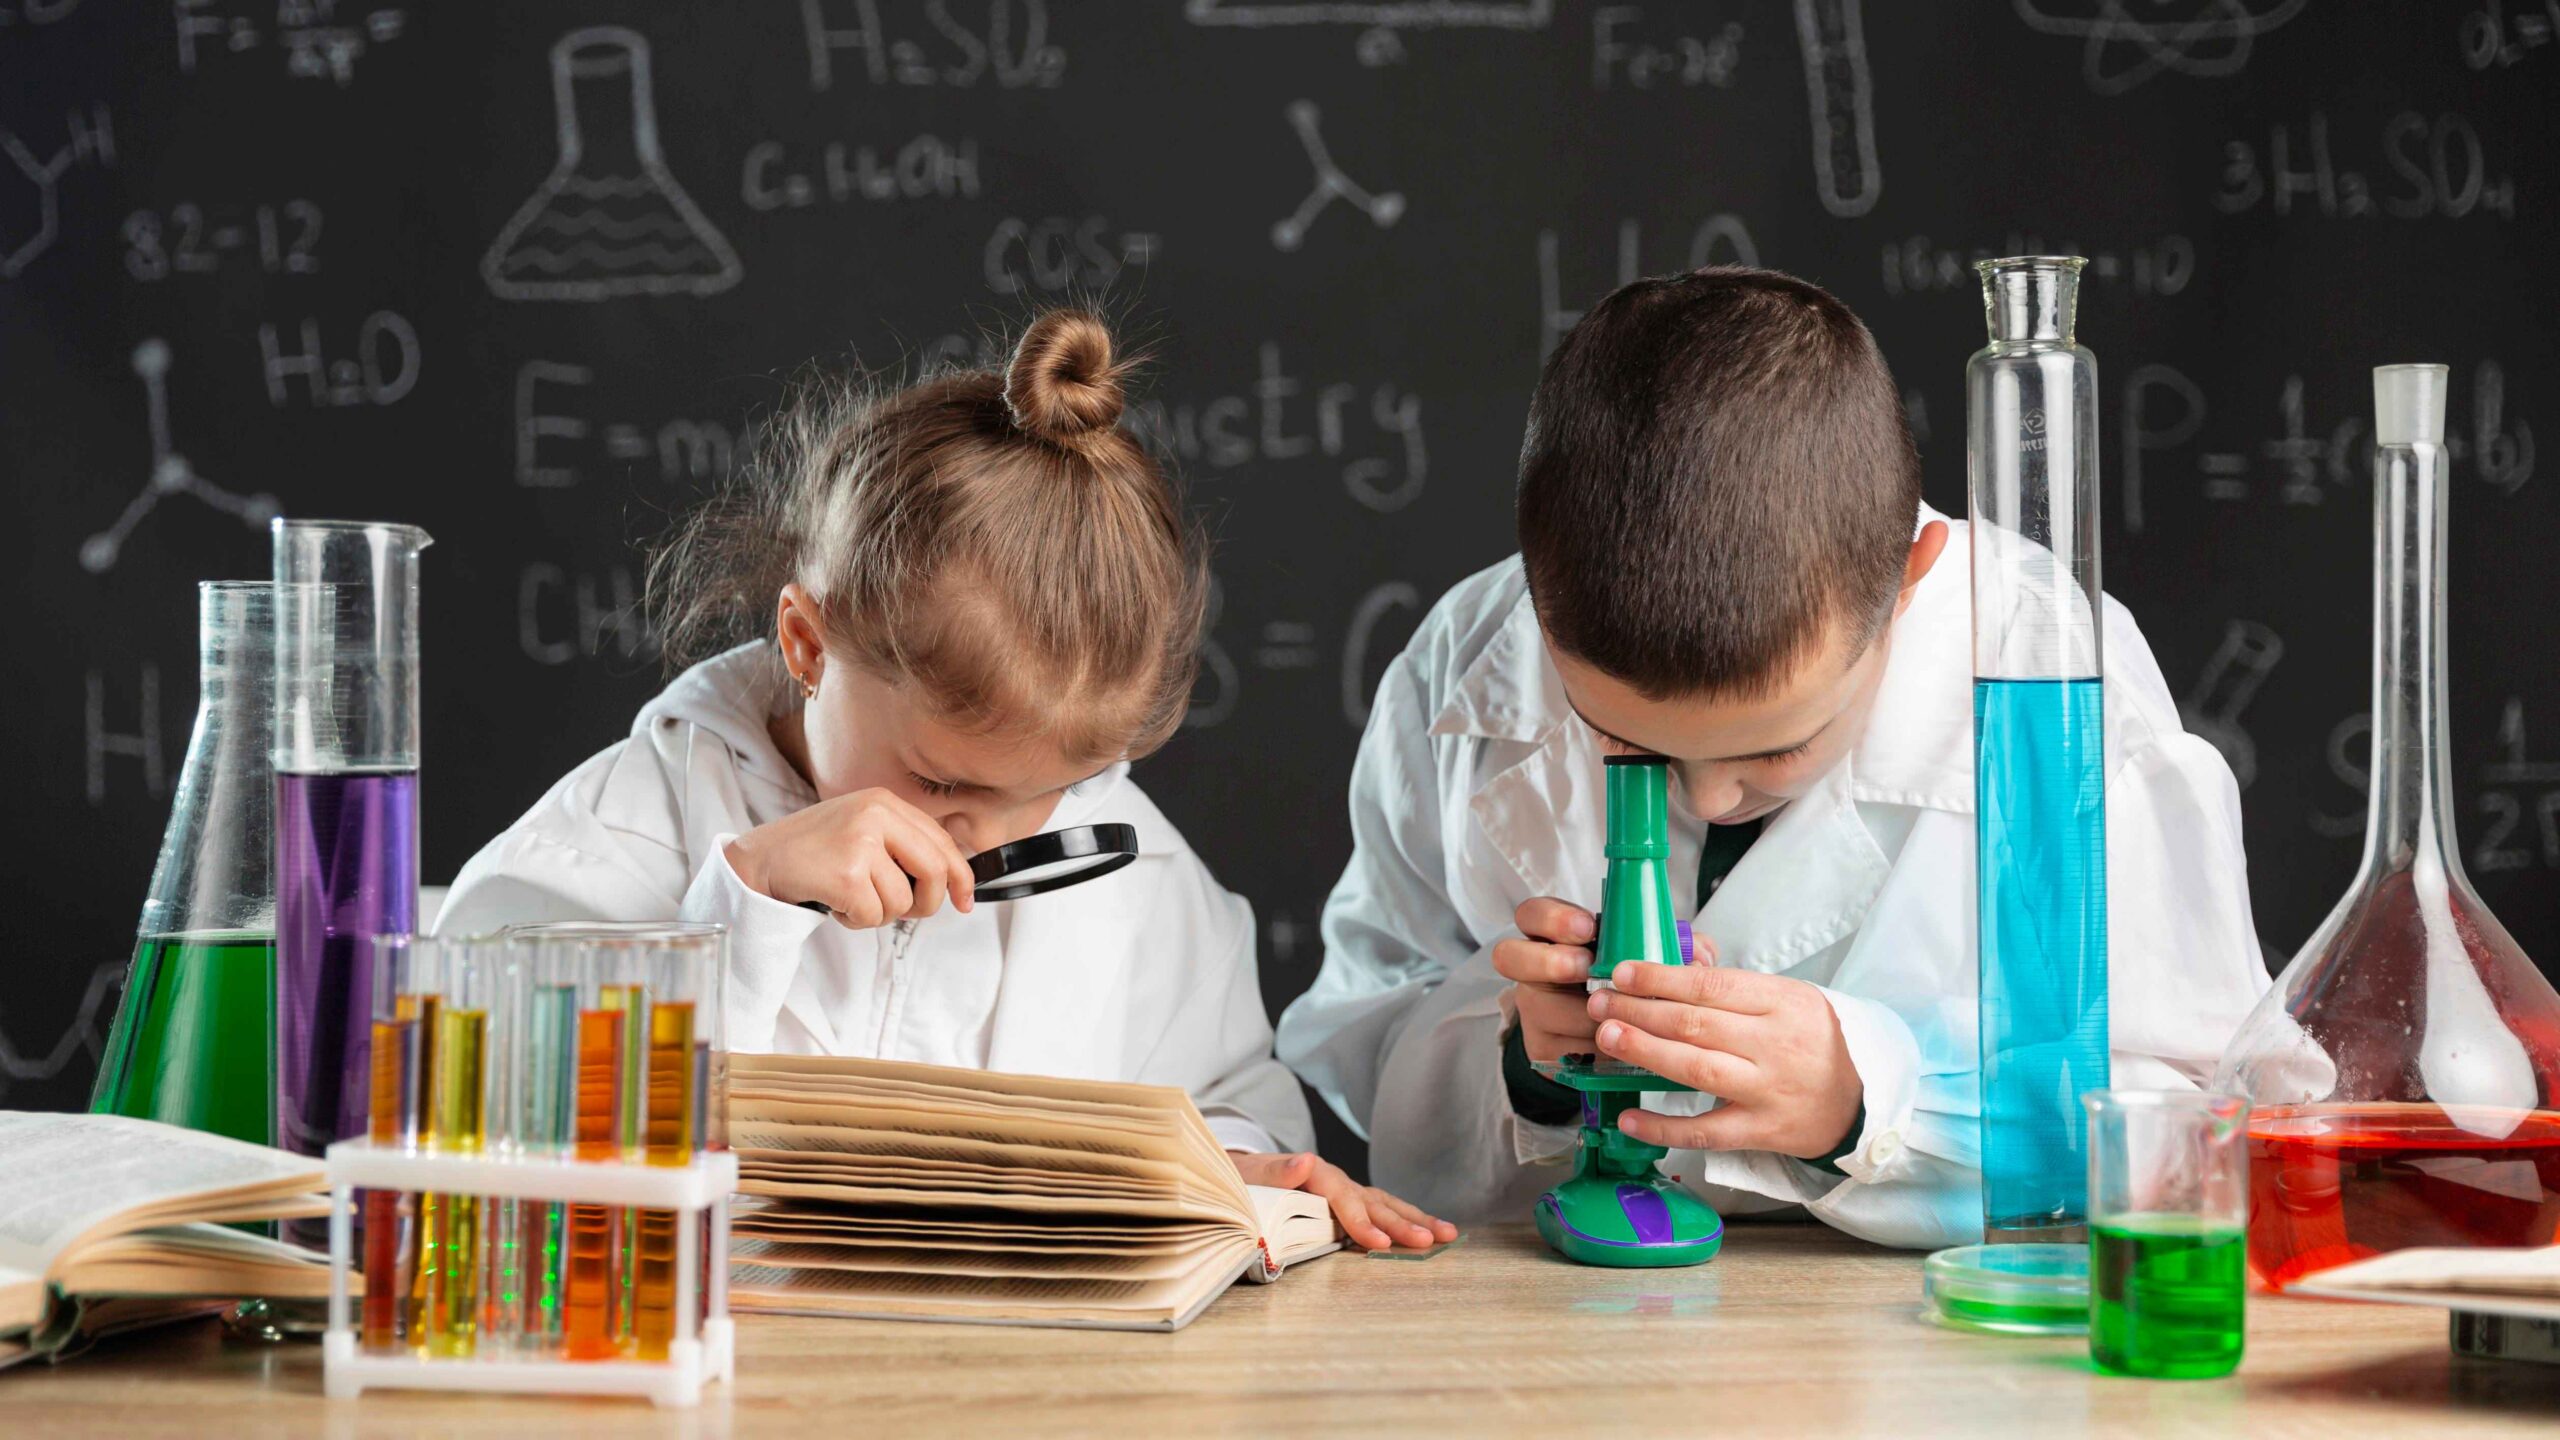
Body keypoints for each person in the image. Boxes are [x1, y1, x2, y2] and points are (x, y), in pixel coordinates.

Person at [1274, 267, 2268, 1248]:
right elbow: (1363, 1040)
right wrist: (1522, 1069)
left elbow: (2197, 1118)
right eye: (1623, 739)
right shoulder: (1467, 654)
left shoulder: (2048, 676)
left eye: (1778, 744)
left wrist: (1864, 1101)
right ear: (1536, 602)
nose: (1709, 794)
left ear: (1910, 583)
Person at [441, 309, 1455, 1252]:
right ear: (807, 643)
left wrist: (1233, 1160)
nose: (986, 836)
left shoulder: (1136, 876)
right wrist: (736, 909)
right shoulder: (617, 836)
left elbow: (1225, 1086)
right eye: (938, 781)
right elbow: (473, 1136)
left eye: (1053, 789)